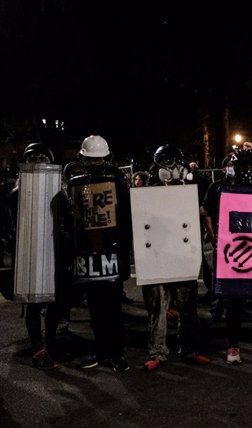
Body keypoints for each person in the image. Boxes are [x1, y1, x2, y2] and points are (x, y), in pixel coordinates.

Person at [203, 147, 252, 364]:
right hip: (232, 256)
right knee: (234, 303)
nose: (246, 171)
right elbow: (206, 210)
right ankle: (233, 346)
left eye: (249, 166)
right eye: (242, 166)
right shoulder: (219, 187)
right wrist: (212, 235)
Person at [141, 145, 210, 371]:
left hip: (182, 256)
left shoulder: (190, 190)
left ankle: (189, 348)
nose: (171, 169)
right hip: (157, 257)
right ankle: (157, 351)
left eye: (175, 164)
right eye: (166, 164)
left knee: (188, 307)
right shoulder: (146, 192)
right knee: (157, 308)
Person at [68, 135, 131, 372]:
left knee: (111, 307)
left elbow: (124, 218)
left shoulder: (116, 181)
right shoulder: (78, 183)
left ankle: (115, 352)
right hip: (92, 254)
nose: (94, 165)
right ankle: (104, 351)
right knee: (97, 307)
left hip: (107, 253)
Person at [11, 143, 70, 369]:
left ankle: (51, 341)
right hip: (32, 251)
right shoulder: (18, 191)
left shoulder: (58, 189)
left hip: (56, 251)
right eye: (33, 158)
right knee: (34, 303)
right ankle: (38, 349)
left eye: (42, 157)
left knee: (55, 302)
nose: (38, 162)